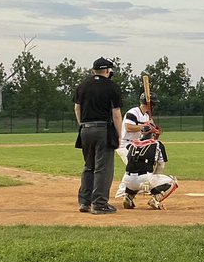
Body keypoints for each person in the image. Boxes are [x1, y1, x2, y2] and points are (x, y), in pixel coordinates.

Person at [73, 57, 123, 214]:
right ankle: (99, 204)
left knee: (89, 166)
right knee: (103, 168)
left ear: (93, 70)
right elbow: (116, 114)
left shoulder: (82, 86)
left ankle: (84, 202)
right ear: (108, 71)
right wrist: (119, 133)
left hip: (85, 130)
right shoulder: (112, 87)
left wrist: (83, 125)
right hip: (103, 130)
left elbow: (77, 108)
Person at [115, 122, 178, 210]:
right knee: (173, 181)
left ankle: (128, 196)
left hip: (127, 180)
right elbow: (161, 165)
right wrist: (153, 180)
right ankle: (155, 200)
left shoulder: (131, 144)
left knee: (134, 178)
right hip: (144, 178)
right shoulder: (157, 144)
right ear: (152, 134)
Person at [118, 92, 153, 164]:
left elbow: (145, 132)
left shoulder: (146, 116)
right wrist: (145, 126)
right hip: (124, 143)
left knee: (141, 164)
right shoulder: (133, 112)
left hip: (135, 143)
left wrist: (153, 130)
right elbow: (128, 128)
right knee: (133, 165)